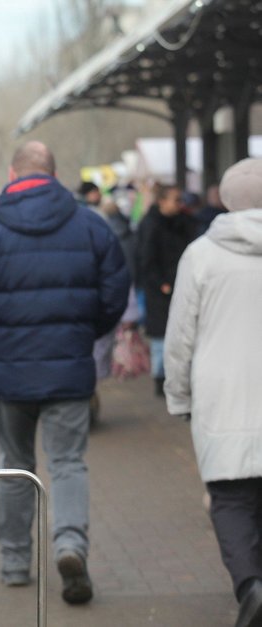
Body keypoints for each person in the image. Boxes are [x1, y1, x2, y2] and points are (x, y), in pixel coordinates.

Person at [0, 141, 129, 604]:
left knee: (14, 464)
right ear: (54, 172)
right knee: (68, 462)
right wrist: (83, 334)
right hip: (70, 368)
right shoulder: (91, 225)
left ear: (13, 173)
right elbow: (115, 293)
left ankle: (13, 562)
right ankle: (69, 545)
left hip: (10, 370)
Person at [164, 158, 262, 627]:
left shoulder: (200, 255)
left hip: (222, 395)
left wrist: (178, 396)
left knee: (230, 497)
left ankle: (249, 584)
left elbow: (180, 335)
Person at [135, 183, 195, 397]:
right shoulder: (151, 225)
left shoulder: (185, 222)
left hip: (179, 285)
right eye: (175, 200)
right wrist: (161, 283)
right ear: (162, 201)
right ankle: (161, 378)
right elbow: (145, 259)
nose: (180, 204)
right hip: (160, 290)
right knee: (161, 338)